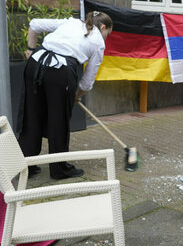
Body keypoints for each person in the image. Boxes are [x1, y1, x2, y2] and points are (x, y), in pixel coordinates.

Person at [18, 11, 112, 179]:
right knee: (58, 120)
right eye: (108, 34)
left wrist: (31, 50)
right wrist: (77, 95)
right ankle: (59, 169)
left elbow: (34, 25)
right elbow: (87, 81)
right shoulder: (98, 42)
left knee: (31, 114)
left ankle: (26, 167)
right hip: (59, 73)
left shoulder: (71, 22)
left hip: (35, 64)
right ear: (103, 26)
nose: (106, 37)